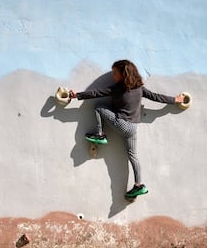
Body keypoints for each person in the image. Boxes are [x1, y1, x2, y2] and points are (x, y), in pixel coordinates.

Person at [69, 59, 185, 199]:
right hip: (132, 128)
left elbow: (97, 93)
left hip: (121, 124)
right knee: (133, 156)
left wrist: (78, 95)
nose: (113, 76)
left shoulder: (118, 88)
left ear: (124, 74)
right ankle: (139, 184)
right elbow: (156, 97)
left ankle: (100, 134)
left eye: (115, 73)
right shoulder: (140, 89)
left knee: (99, 107)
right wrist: (175, 100)